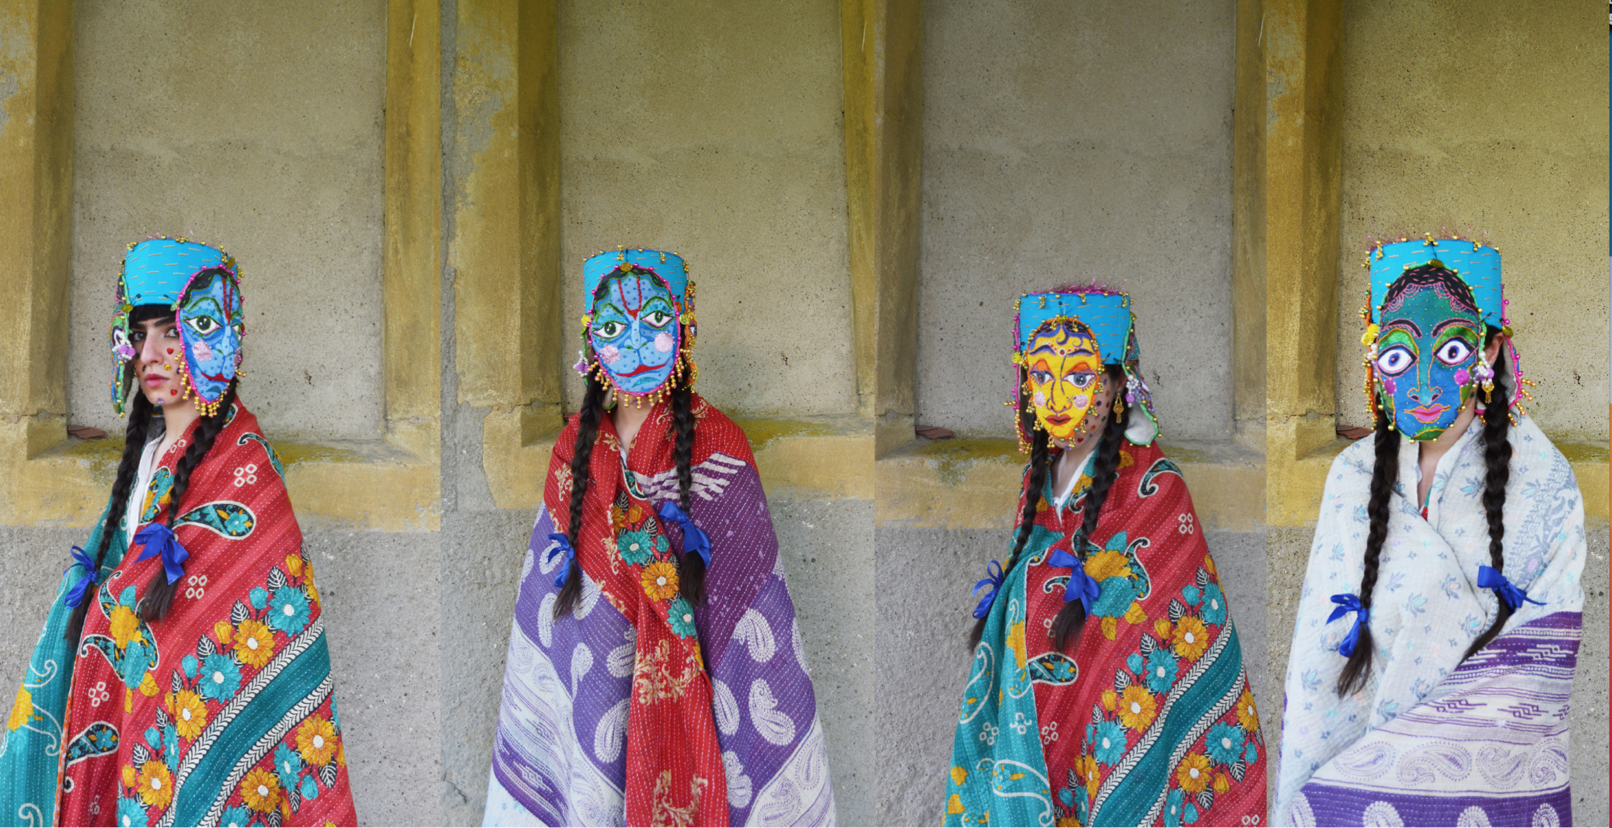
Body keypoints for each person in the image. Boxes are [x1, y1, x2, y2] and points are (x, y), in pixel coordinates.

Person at [0, 239, 357, 826]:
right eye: (139, 334)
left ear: (214, 336)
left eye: (171, 332)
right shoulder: (144, 453)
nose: (151, 354)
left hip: (192, 718)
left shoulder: (246, 466)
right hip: (128, 711)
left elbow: (255, 626)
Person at [483, 248, 835, 827]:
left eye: (654, 321)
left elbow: (751, 607)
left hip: (706, 699)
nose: (636, 344)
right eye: (613, 328)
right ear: (590, 344)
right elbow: (557, 606)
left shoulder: (722, 446)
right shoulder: (573, 450)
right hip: (602, 684)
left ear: (686, 329)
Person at [1275, 238, 1584, 826]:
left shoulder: (1543, 480)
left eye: (1450, 350)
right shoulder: (1352, 476)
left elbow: (1536, 672)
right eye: (1397, 355)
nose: (1421, 383)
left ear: (1491, 349)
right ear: (1373, 358)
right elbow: (1317, 666)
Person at [945, 285, 1266, 827]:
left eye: (1079, 377)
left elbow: (1160, 632)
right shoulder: (1036, 480)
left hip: (1113, 731)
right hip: (1031, 723)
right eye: (1040, 375)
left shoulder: (1156, 487)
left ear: (1118, 383)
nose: (1056, 396)